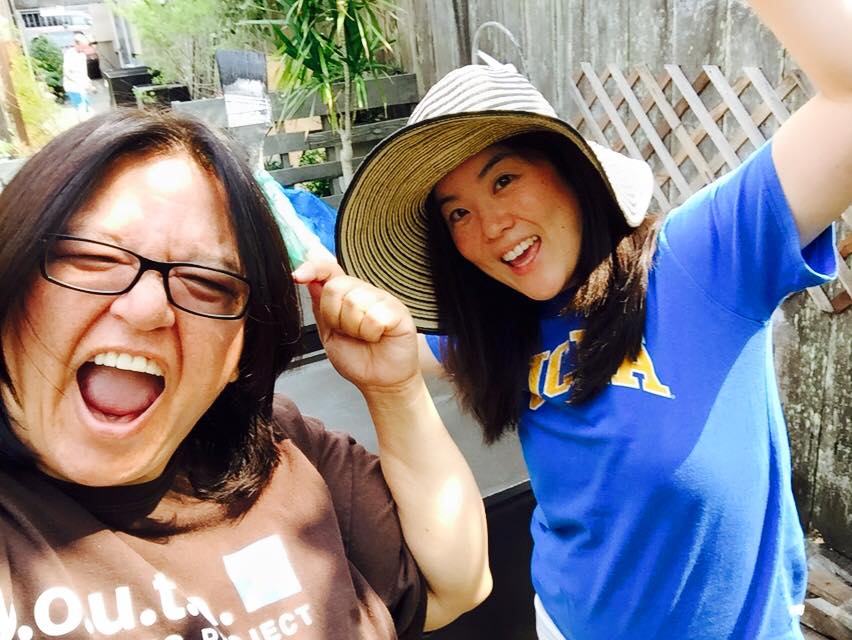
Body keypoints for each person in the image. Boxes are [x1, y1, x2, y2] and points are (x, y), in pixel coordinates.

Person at [333, 1, 851, 638]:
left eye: (504, 180)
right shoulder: (500, 325)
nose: (490, 226)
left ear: (571, 171)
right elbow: (398, 343)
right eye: (457, 213)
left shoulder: (702, 261)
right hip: (563, 621)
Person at [0, 109, 490, 639]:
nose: (146, 309)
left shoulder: (281, 448)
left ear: (239, 351)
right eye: (93, 256)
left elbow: (455, 586)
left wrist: (394, 390)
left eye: (207, 283)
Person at [62, 32, 93, 117]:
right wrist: (80, 82)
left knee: (87, 107)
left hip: (82, 87)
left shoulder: (82, 55)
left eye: (85, 47)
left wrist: (88, 82)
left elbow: (83, 71)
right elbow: (67, 72)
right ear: (76, 44)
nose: (84, 49)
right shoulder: (69, 54)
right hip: (73, 87)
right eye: (83, 47)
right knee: (81, 109)